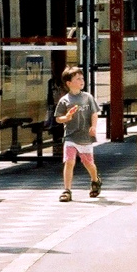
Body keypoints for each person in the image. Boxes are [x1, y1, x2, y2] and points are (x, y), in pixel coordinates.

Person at [54, 67, 102, 202]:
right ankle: (67, 190)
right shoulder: (64, 100)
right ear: (68, 83)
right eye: (78, 79)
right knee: (69, 162)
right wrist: (67, 117)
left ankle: (95, 180)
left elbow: (94, 113)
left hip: (85, 137)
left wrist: (93, 126)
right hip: (70, 136)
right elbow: (58, 118)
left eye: (82, 78)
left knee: (88, 163)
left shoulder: (87, 97)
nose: (82, 81)